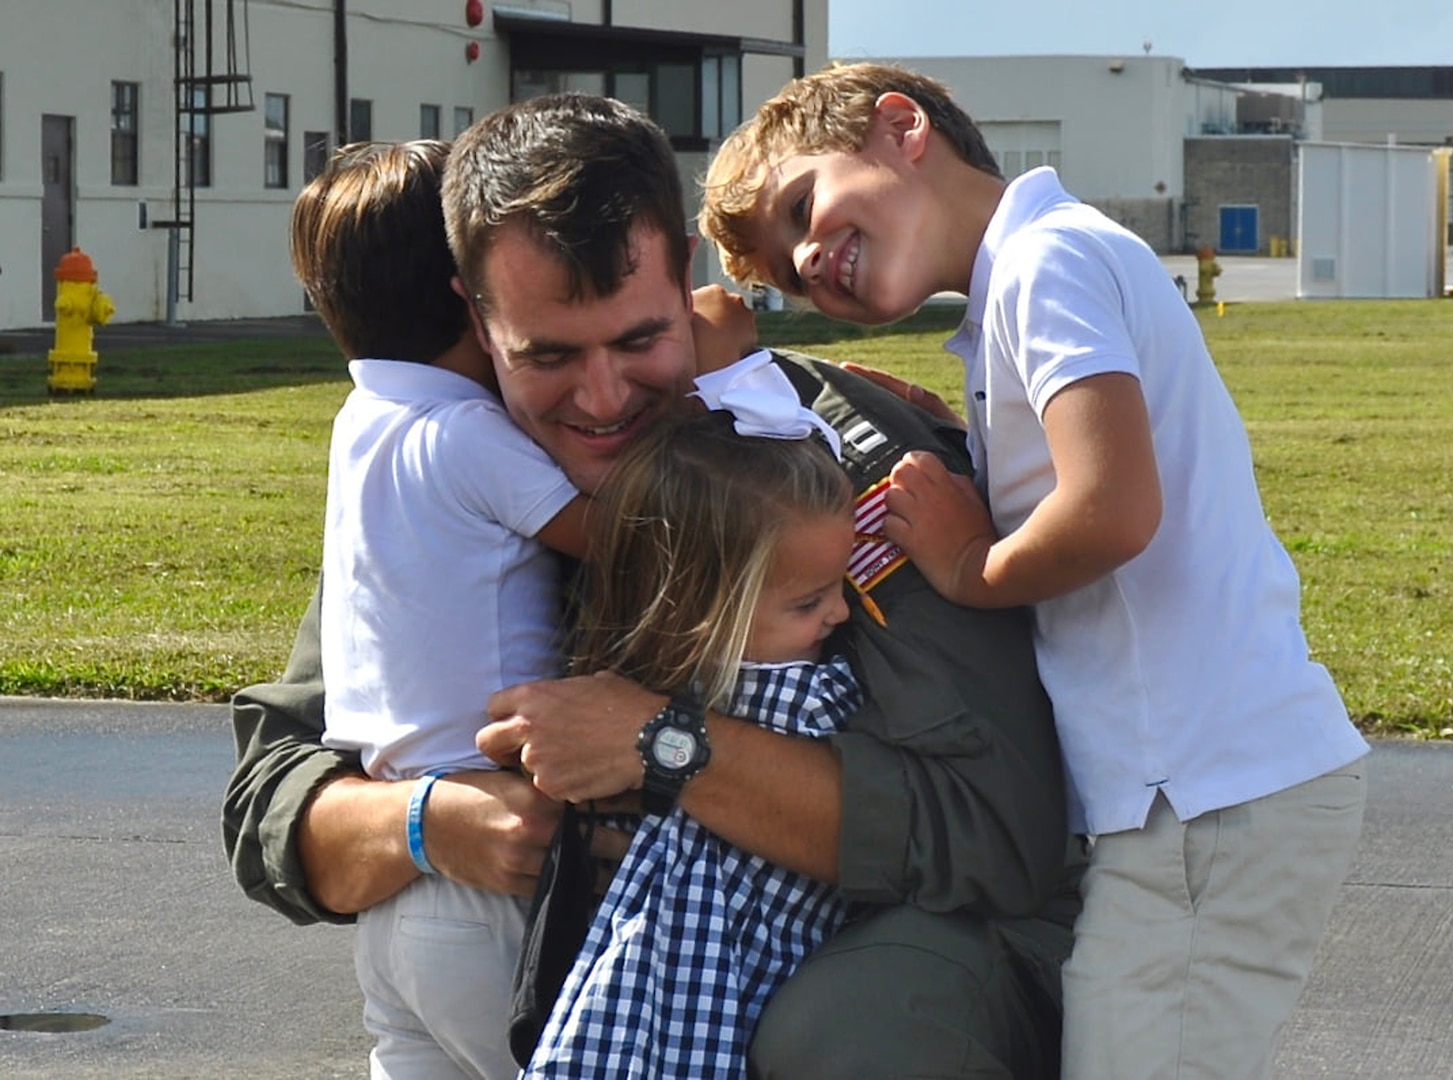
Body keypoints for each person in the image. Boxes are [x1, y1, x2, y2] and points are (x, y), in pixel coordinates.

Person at [225, 91, 1076, 1079]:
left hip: (883, 939)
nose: (598, 400)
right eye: (546, 356)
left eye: (638, 342)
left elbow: (996, 831)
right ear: (474, 315)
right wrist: (427, 823)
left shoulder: (827, 464)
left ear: (685, 275)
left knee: (851, 1033)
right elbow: (273, 798)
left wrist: (662, 746)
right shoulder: (452, 473)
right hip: (578, 969)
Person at [699, 60, 1371, 1079]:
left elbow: (1109, 506)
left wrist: (968, 564)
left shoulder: (1044, 262)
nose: (806, 257)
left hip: (1204, 792)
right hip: (1193, 797)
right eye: (787, 275)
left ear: (900, 128)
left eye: (802, 205)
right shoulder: (1025, 279)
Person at [288, 139, 591, 1078]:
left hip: (396, 871)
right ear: (474, 293)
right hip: (492, 866)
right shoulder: (468, 433)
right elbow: (616, 533)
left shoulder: (363, 420)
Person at [523, 357, 860, 1077]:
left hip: (690, 979)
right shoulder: (804, 699)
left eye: (840, 588)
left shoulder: (695, 692)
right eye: (809, 602)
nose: (839, 613)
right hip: (709, 975)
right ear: (706, 610)